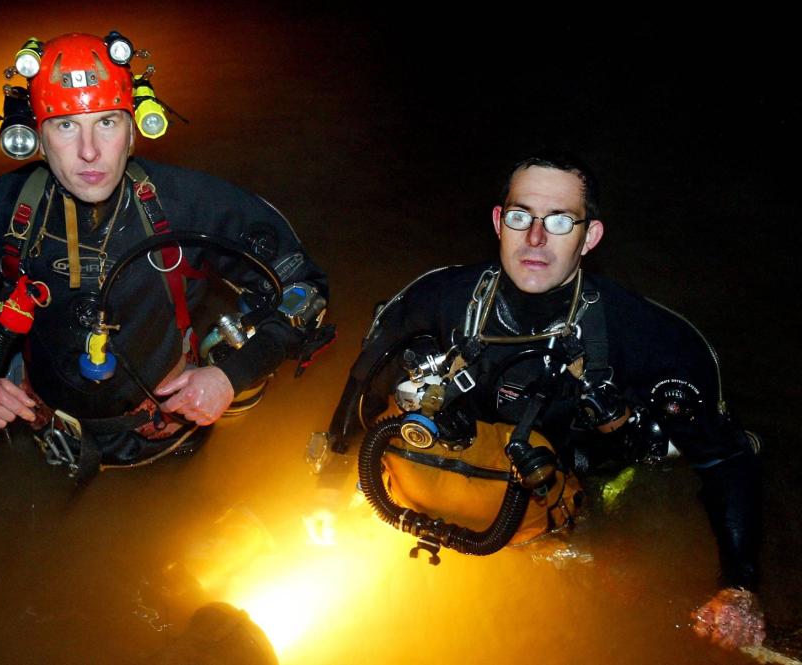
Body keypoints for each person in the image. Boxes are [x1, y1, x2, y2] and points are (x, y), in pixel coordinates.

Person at [325, 152, 764, 649]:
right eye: (520, 217)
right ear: (498, 222)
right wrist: (328, 491)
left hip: (563, 496)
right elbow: (363, 389)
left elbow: (726, 457)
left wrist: (739, 587)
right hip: (436, 485)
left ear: (590, 236)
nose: (535, 238)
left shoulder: (647, 336)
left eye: (559, 221)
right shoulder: (436, 300)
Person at [0, 32, 329, 475]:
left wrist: (231, 376)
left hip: (169, 432)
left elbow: (303, 288)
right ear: (38, 140)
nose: (89, 152)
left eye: (106, 122)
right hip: (42, 429)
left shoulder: (190, 205)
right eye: (66, 126)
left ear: (132, 131)